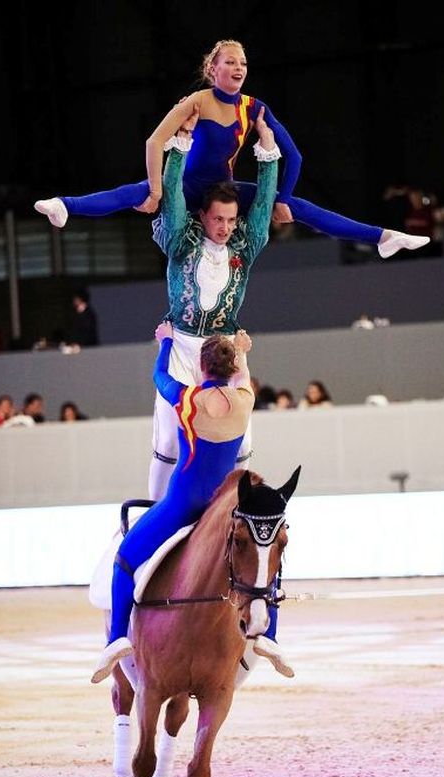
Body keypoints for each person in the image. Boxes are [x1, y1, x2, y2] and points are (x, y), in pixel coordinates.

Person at [34, 39, 429, 260]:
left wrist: (284, 199)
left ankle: (382, 237)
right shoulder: (196, 101)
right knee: (133, 193)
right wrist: (157, 191)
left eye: (243, 62)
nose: (239, 68)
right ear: (214, 69)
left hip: (222, 192)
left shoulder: (253, 107)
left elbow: (296, 156)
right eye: (230, 62)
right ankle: (64, 205)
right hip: (186, 188)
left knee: (303, 209)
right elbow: (154, 141)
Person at [91, 322, 293, 684]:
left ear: (202, 368)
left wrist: (166, 343)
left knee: (125, 559)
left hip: (183, 502)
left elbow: (159, 376)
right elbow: (243, 377)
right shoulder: (245, 399)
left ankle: (117, 637)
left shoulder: (186, 400)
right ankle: (271, 636)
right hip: (222, 508)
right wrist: (244, 351)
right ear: (232, 370)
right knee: (264, 557)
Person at [147, 102, 279, 501]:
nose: (225, 228)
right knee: (168, 443)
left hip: (226, 347)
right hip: (183, 345)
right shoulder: (180, 241)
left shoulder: (246, 243)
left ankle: (236, 512)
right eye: (218, 219)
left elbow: (265, 206)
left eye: (230, 220)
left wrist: (267, 151)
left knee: (241, 444)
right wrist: (181, 144)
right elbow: (171, 199)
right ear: (202, 215)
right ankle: (151, 512)